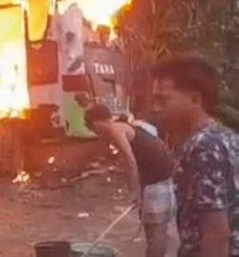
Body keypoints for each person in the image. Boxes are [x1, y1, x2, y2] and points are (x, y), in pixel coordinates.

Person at [151, 54, 238, 257]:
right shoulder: (226, 137)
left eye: (163, 100)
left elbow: (216, 233)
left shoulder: (204, 147)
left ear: (195, 99)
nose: (155, 108)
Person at [85, 104, 176, 257]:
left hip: (157, 180)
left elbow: (130, 160)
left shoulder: (115, 130)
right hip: (161, 176)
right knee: (155, 229)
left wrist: (134, 191)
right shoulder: (125, 125)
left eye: (95, 131)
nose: (99, 136)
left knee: (155, 231)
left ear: (95, 124)